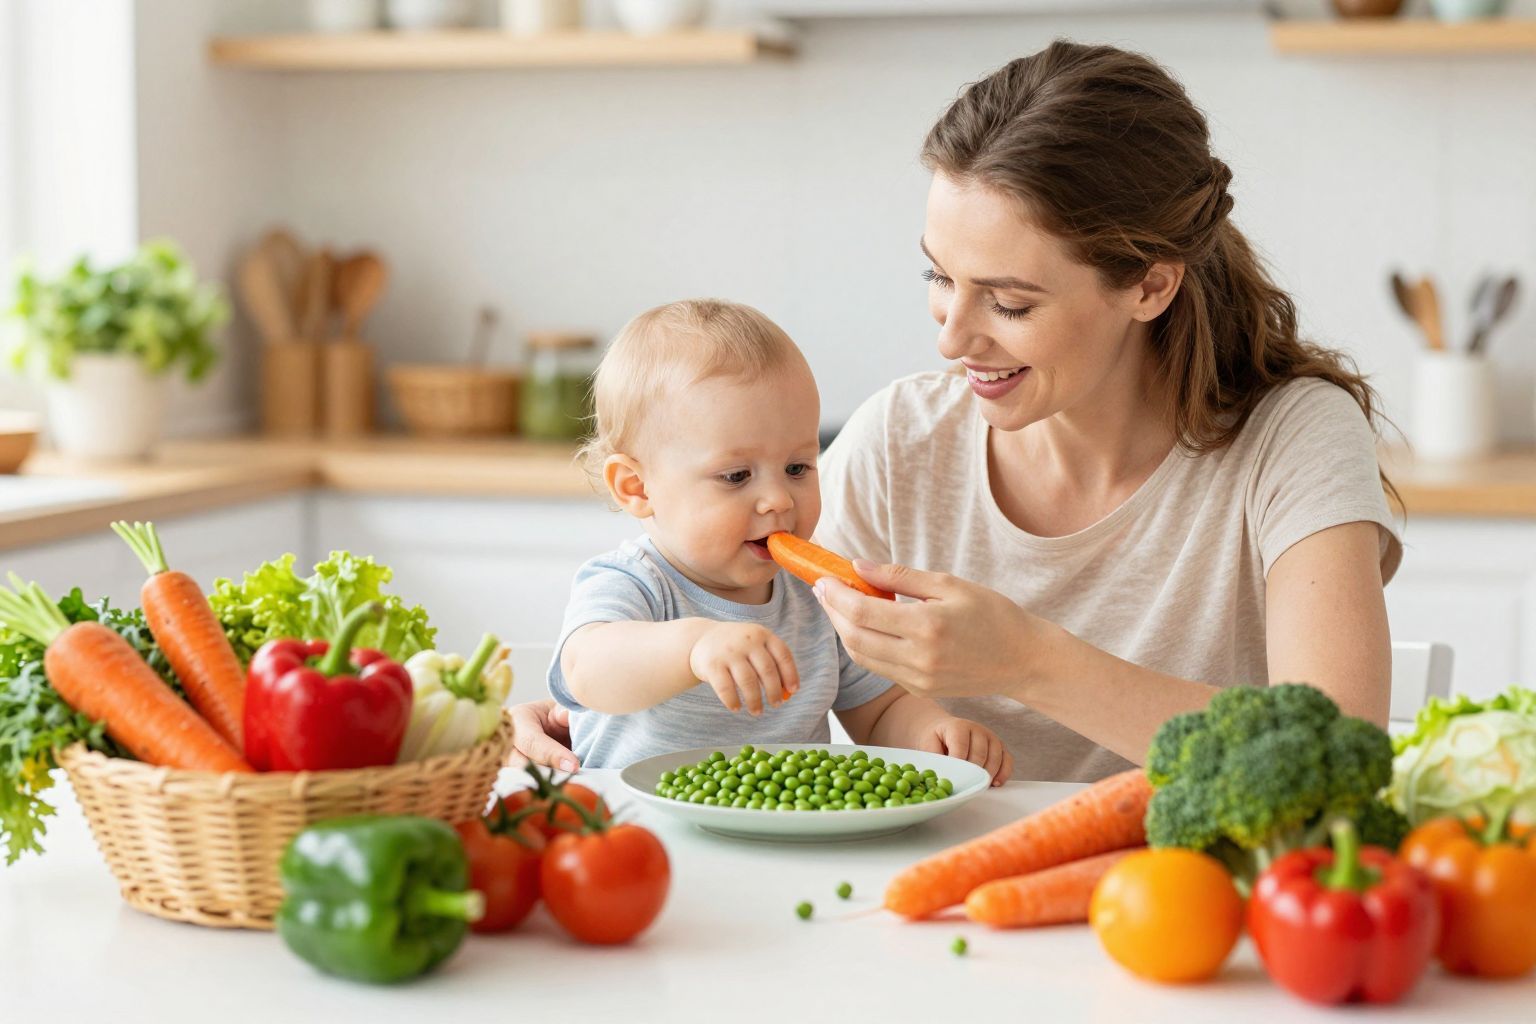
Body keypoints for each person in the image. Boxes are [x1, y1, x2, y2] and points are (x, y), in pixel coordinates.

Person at [514, 41, 1400, 783]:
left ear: (1150, 284)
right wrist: (567, 715)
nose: (951, 340)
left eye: (1009, 303)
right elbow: (703, 614)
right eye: (940, 279)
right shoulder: (902, 439)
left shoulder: (1293, 438)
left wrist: (1029, 662)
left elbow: (1339, 749)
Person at [546, 298, 1012, 784]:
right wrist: (695, 646)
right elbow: (588, 670)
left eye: (797, 468)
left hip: (786, 841)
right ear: (636, 488)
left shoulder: (819, 597)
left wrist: (934, 733)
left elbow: (878, 711)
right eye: (735, 475)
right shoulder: (633, 583)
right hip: (639, 836)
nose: (777, 500)